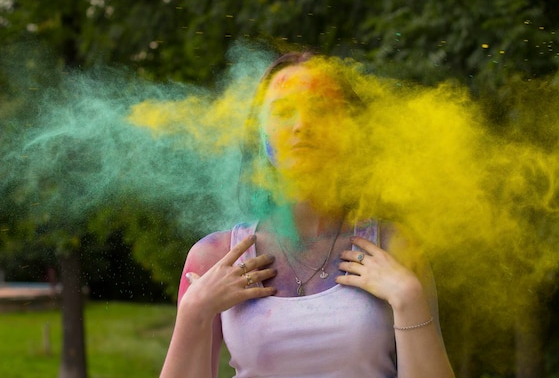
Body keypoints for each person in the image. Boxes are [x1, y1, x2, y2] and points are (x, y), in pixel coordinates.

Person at [160, 52, 455, 378]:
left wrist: (409, 299)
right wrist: (194, 313)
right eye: (284, 112)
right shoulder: (214, 258)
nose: (302, 125)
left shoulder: (395, 248)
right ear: (260, 132)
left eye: (320, 110)